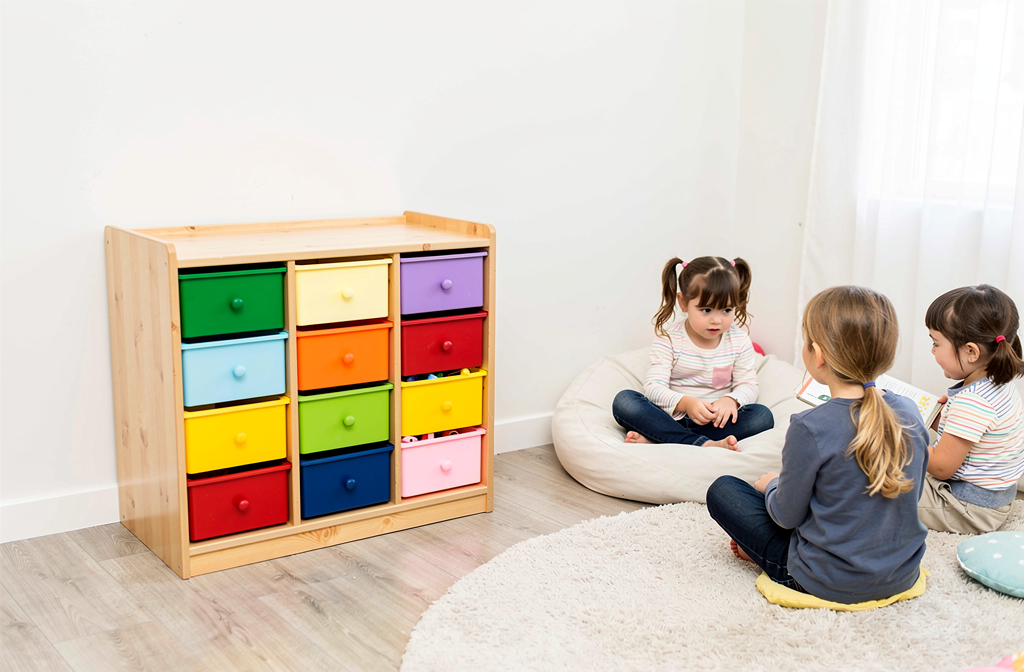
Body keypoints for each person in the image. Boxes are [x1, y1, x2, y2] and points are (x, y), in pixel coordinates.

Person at [706, 286, 930, 603]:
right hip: (901, 575)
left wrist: (772, 485)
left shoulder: (810, 427)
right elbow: (909, 497)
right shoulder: (910, 412)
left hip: (823, 580)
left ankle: (760, 550)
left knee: (723, 490)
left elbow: (786, 517)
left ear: (819, 354)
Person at [611, 256, 773, 451]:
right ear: (683, 302)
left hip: (715, 422)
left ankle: (663, 439)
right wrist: (686, 404)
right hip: (671, 417)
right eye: (706, 310)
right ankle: (702, 444)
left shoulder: (738, 340)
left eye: (726, 310)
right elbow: (653, 388)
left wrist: (731, 400)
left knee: (762, 416)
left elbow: (748, 385)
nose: (716, 320)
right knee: (624, 402)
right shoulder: (669, 339)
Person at [919, 285, 1024, 534]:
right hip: (992, 499)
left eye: (936, 343)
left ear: (971, 352)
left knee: (882, 488)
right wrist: (942, 421)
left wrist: (907, 437)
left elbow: (942, 468)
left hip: (968, 509)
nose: (932, 350)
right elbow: (980, 439)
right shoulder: (1000, 382)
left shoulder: (973, 402)